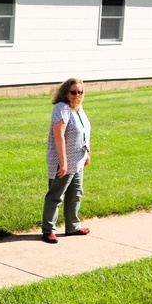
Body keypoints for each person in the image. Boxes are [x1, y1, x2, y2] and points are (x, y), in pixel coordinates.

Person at [42, 78, 92, 243]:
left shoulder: (78, 108)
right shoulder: (61, 108)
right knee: (56, 196)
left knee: (76, 194)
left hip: (78, 159)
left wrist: (86, 153)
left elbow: (82, 132)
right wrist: (63, 162)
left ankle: (73, 227)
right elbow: (59, 135)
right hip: (63, 160)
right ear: (65, 92)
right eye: (73, 92)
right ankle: (49, 229)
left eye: (80, 92)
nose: (77, 95)